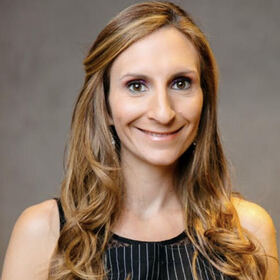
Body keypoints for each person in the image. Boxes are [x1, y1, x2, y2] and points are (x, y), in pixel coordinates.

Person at [1, 1, 279, 280]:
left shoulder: (248, 232)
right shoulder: (43, 232)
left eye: (180, 83)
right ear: (105, 106)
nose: (163, 112)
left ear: (204, 98)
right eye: (136, 86)